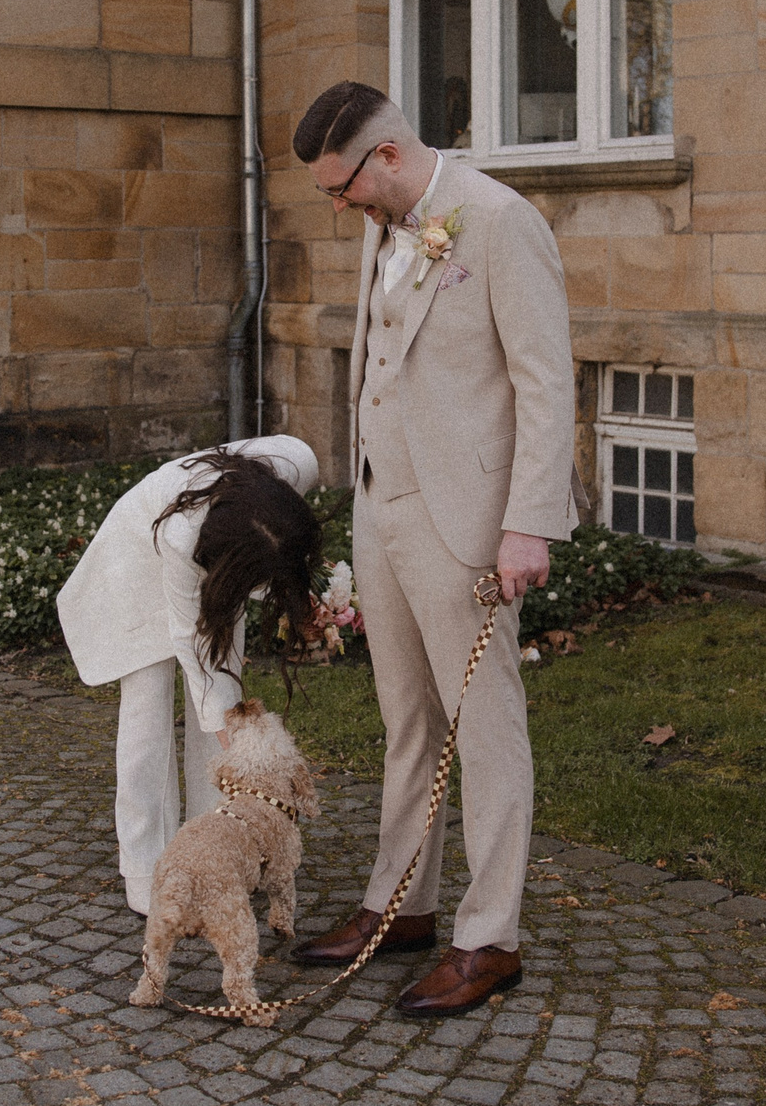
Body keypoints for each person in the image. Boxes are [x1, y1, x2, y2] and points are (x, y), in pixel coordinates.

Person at [287, 80, 575, 1018]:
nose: (338, 209)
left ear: (391, 158)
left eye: (343, 189)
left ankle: (489, 935)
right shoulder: (385, 221)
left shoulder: (498, 220)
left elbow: (545, 382)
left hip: (468, 521)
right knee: (406, 719)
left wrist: (528, 520)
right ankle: (399, 905)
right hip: (385, 509)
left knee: (484, 729)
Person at [58, 439, 322, 916]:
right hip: (136, 561)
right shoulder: (181, 538)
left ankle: (218, 848)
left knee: (227, 701)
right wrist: (231, 734)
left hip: (229, 557)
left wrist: (301, 602)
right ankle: (147, 869)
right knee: (148, 710)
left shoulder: (296, 462)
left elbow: (286, 549)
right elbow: (192, 644)